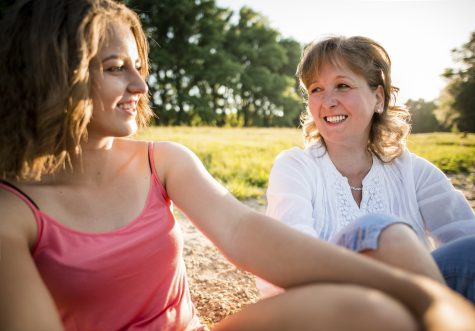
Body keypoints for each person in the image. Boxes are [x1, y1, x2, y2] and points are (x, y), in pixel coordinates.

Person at [0, 2, 474, 330]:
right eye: (114, 67)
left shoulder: (161, 160)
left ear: (379, 97)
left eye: (139, 65)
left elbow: (244, 232)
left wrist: (422, 297)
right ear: (55, 72)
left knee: (376, 312)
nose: (141, 85)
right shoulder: (12, 214)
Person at [260, 35, 475, 302]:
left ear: (378, 98)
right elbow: (293, 259)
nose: (327, 101)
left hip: (415, 306)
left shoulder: (414, 172)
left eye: (342, 85)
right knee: (378, 228)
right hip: (332, 308)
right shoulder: (294, 168)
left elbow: (465, 235)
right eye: (316, 89)